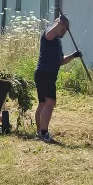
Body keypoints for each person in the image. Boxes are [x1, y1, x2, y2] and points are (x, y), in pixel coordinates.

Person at [34, 15, 82, 143]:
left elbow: (60, 61)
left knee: (43, 104)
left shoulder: (57, 42)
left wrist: (73, 56)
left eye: (66, 31)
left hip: (44, 73)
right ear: (59, 24)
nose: (64, 32)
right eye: (64, 29)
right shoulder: (49, 33)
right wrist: (59, 23)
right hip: (46, 73)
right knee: (50, 103)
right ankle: (44, 133)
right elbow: (50, 34)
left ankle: (39, 133)